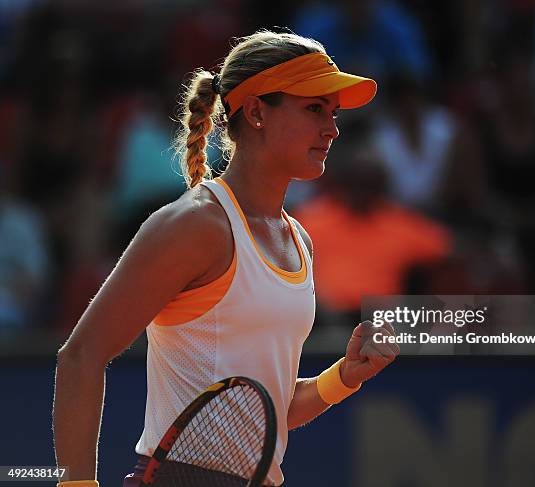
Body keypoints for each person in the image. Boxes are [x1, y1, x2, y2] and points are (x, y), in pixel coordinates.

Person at [53, 30, 400, 487]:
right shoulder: (196, 226)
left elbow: (266, 412)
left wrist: (343, 378)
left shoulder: (298, 241)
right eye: (314, 108)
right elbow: (81, 356)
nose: (332, 128)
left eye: (332, 112)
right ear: (256, 111)